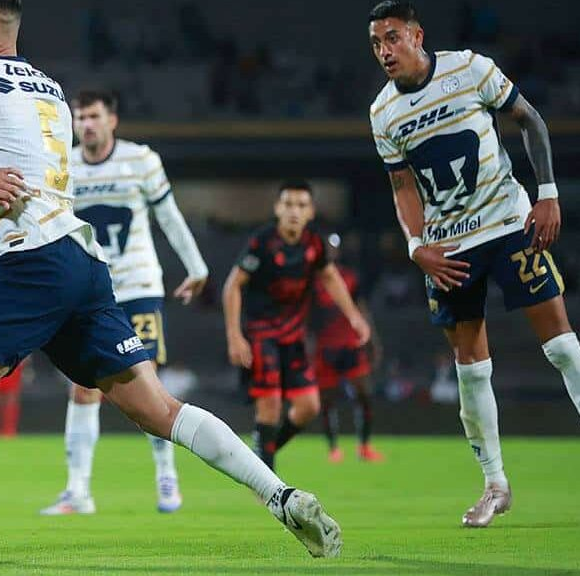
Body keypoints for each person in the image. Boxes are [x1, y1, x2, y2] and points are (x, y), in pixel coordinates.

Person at [0, 0, 342, 568]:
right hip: (82, 262)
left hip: (32, 261)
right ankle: (280, 494)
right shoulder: (49, 89)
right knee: (158, 410)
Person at [368, 0, 580, 526]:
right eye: (375, 43)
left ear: (417, 34)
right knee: (470, 370)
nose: (384, 51)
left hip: (508, 224)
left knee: (563, 347)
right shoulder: (383, 112)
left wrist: (548, 193)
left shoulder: (469, 68)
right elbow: (402, 184)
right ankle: (495, 485)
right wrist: (416, 245)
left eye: (391, 37)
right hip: (451, 247)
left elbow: (530, 121)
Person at [40, 88, 209, 516]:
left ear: (112, 120)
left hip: (137, 285)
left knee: (150, 387)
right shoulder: (66, 165)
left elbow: (168, 215)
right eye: (80, 118)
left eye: (94, 116)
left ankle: (166, 475)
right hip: (90, 291)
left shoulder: (141, 160)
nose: (86, 125)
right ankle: (78, 491)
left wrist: (196, 266)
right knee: (82, 387)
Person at [222, 181, 370, 470]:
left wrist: (354, 316)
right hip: (262, 334)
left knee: (308, 407)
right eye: (288, 204)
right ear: (277, 208)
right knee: (271, 405)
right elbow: (232, 286)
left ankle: (260, 456)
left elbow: (329, 277)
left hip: (294, 336)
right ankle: (266, 480)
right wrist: (234, 335)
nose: (294, 211)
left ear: (310, 212)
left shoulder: (314, 243)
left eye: (301, 206)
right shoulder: (262, 242)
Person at [311, 234, 384, 463]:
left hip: (351, 344)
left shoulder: (350, 278)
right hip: (326, 347)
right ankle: (333, 448)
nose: (331, 252)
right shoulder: (312, 282)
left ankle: (364, 446)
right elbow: (307, 316)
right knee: (327, 400)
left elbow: (362, 308)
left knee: (364, 395)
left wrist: (373, 340)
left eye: (334, 248)